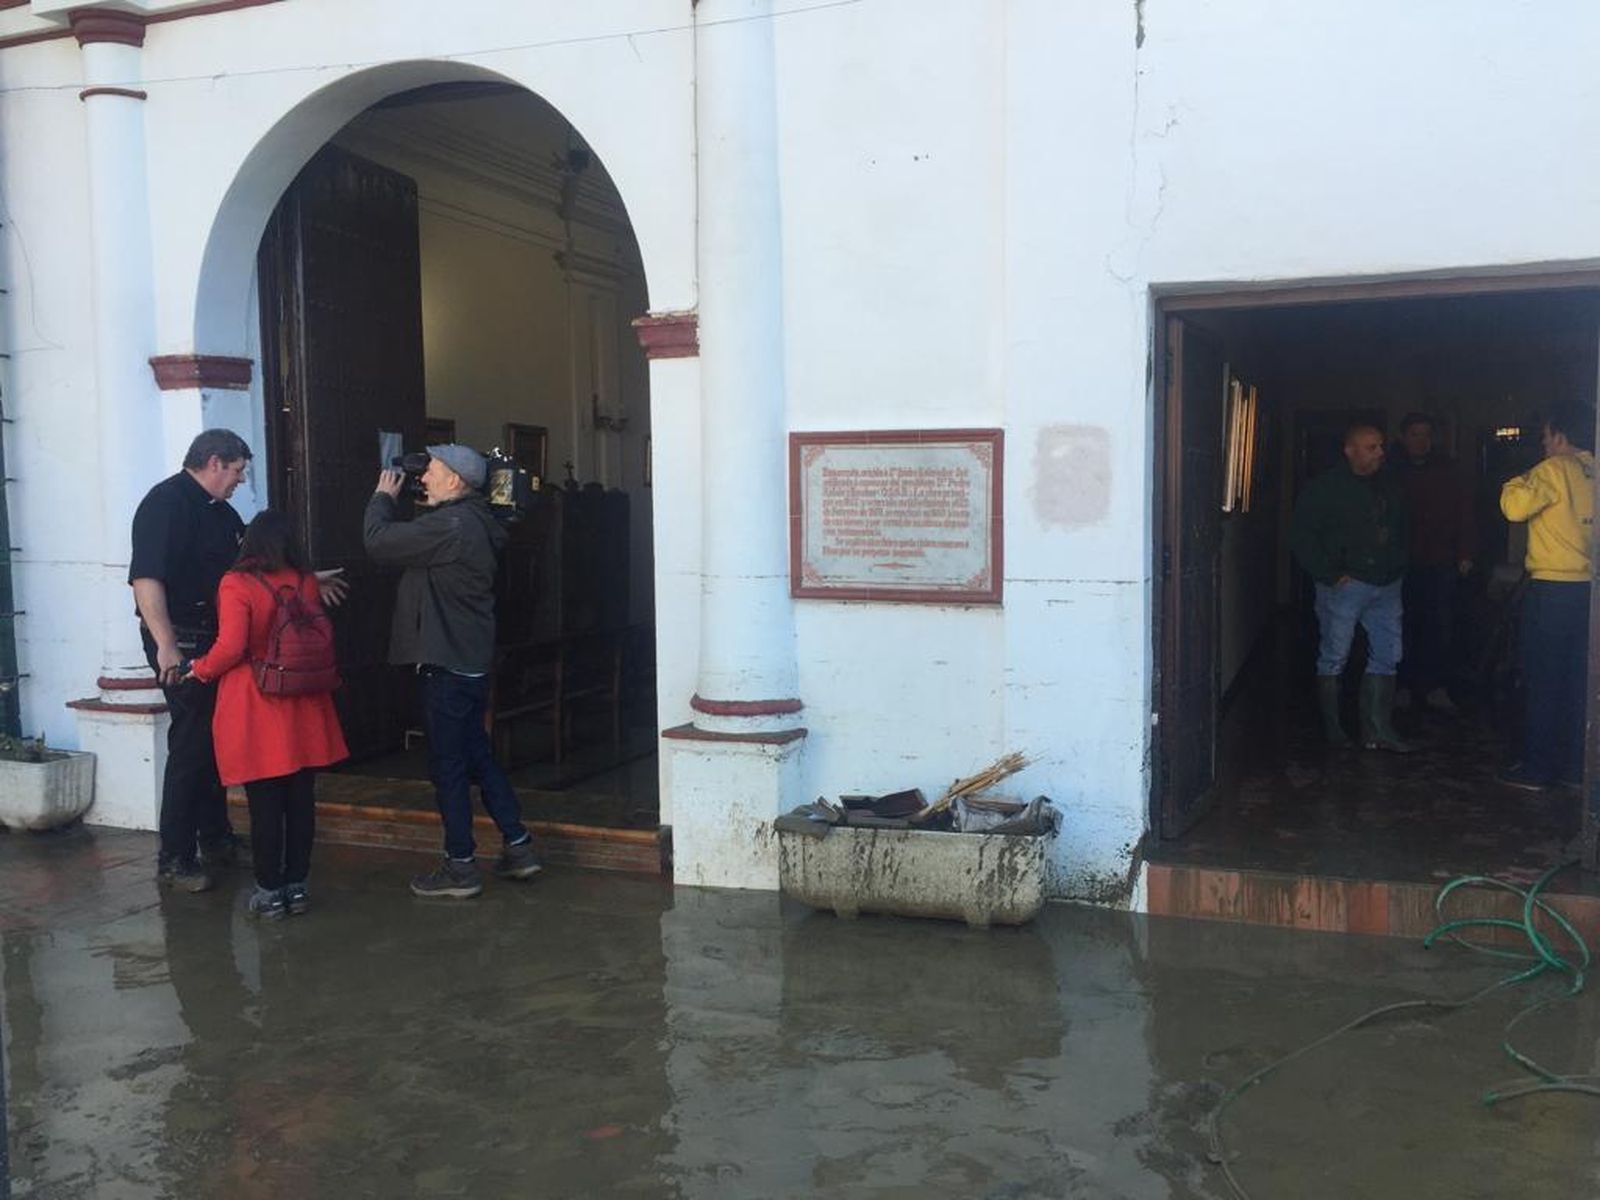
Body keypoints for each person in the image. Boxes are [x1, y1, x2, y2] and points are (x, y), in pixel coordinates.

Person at [363, 443, 542, 897]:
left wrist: (382, 497)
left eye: (433, 471)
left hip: (447, 665)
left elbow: (379, 542)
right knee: (476, 755)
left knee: (448, 767)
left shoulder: (453, 525)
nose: (423, 477)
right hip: (468, 662)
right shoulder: (470, 522)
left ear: (456, 481)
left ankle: (460, 865)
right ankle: (518, 845)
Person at [184, 510, 350, 918]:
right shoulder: (305, 580)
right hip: (306, 701)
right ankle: (297, 886)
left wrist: (199, 670)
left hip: (256, 700)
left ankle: (269, 891)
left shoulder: (236, 582)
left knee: (265, 803)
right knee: (300, 799)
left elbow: (230, 647)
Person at [129, 430, 252, 892]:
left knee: (214, 740)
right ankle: (175, 855)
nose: (240, 481)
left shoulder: (222, 513)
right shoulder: (165, 504)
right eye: (237, 471)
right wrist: (166, 645)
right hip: (180, 640)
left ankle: (216, 835)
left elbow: (244, 572)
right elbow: (146, 580)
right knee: (192, 743)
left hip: (215, 640)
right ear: (215, 462)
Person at [1289, 423, 1412, 753]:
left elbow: (1401, 527)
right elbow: (1301, 536)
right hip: (1345, 584)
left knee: (1388, 655)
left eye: (1381, 446)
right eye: (1371, 447)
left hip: (1387, 583)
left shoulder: (1389, 485)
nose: (1380, 453)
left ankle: (1378, 730)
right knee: (1334, 656)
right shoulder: (1324, 489)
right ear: (1350, 450)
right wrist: (1328, 574)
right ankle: (1334, 731)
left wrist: (1399, 562)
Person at [1497, 405, 1595, 791]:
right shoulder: (1595, 470)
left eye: (1545, 436)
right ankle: (1575, 768)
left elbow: (1514, 508)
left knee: (1543, 677)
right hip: (1590, 590)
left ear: (1559, 436)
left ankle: (1538, 767)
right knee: (1579, 682)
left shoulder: (1554, 469)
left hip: (1552, 590)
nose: (1543, 443)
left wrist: (1518, 479)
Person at [1392, 412, 1476, 713]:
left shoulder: (1449, 470)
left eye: (1426, 434)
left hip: (1440, 559)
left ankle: (1435, 687)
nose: (1421, 441)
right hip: (1399, 561)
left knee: (1440, 626)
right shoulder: (1390, 469)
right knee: (1400, 624)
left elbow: (1464, 511)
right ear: (1404, 437)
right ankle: (1401, 686)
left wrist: (1465, 553)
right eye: (1415, 434)